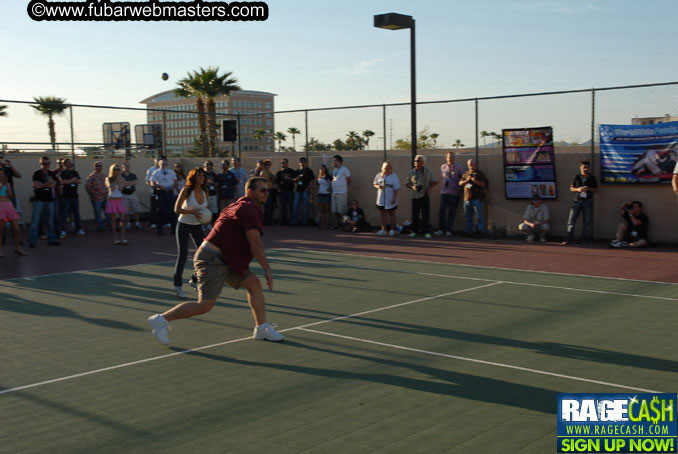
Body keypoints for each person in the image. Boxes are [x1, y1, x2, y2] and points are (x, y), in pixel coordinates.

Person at [147, 177, 284, 345]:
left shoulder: (242, 206)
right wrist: (268, 270)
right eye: (262, 190)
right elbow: (255, 243)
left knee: (254, 283)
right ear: (250, 192)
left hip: (227, 257)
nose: (266, 193)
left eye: (267, 190)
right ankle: (161, 320)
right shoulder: (248, 209)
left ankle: (261, 328)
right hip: (211, 259)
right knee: (205, 305)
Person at [172, 167, 207, 298]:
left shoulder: (205, 191)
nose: (201, 178)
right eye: (199, 176)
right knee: (183, 255)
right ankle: (178, 286)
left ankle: (194, 279)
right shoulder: (186, 191)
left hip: (197, 226)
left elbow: (204, 210)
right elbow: (177, 209)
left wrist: (204, 217)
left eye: (203, 176)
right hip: (184, 225)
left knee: (203, 254)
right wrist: (192, 212)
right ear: (193, 177)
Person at [562, 160, 598, 246]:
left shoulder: (592, 177)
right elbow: (571, 188)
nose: (585, 169)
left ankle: (584, 240)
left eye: (587, 167)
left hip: (587, 201)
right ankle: (569, 239)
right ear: (580, 168)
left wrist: (588, 189)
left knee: (587, 222)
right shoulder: (577, 177)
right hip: (577, 201)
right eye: (584, 167)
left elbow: (596, 189)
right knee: (571, 220)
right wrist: (578, 189)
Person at [28, 156, 60, 247]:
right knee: (35, 221)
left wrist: (43, 184)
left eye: (48, 163)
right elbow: (36, 186)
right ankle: (32, 240)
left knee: (50, 221)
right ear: (41, 164)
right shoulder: (37, 173)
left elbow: (53, 185)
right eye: (45, 164)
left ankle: (52, 239)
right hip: (39, 200)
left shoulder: (52, 173)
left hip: (50, 200)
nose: (47, 165)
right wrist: (47, 184)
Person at [405, 155, 438, 238]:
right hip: (414, 196)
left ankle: (425, 231)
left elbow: (435, 181)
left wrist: (429, 188)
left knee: (425, 214)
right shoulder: (411, 172)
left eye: (418, 161)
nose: (416, 162)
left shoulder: (428, 171)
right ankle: (415, 231)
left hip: (424, 195)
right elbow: (407, 183)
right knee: (415, 215)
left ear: (423, 162)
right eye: (415, 161)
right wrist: (412, 187)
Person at [434, 151, 464, 237]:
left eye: (452, 157)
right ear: (446, 158)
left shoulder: (459, 167)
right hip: (444, 192)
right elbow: (442, 178)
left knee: (452, 212)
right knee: (442, 211)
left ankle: (448, 230)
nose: (451, 158)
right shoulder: (443, 167)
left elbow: (463, 177)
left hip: (454, 193)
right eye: (449, 157)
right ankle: (440, 229)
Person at [0, 167, 26, 257]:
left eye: (2, 175)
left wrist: (7, 186)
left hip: (9, 205)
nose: (1, 176)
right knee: (1, 231)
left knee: (16, 229)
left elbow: (10, 195)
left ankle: (17, 248)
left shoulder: (7, 184)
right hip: (0, 207)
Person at [459, 159, 488, 238]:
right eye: (469, 164)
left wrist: (475, 181)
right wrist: (467, 180)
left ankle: (480, 232)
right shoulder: (466, 173)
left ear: (475, 164)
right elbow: (460, 183)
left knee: (479, 216)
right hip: (467, 198)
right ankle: (468, 231)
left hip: (477, 198)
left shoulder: (480, 173)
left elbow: (484, 184)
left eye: (472, 164)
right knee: (468, 216)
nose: (471, 166)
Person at [59, 158, 86, 237]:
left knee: (76, 213)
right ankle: (63, 230)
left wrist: (70, 181)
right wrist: (73, 179)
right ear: (65, 164)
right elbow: (64, 182)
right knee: (64, 214)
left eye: (70, 162)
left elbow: (79, 181)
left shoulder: (75, 172)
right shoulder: (63, 173)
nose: (70, 164)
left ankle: (79, 229)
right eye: (68, 162)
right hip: (66, 196)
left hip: (74, 196)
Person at [151, 158, 177, 235]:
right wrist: (160, 186)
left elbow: (176, 182)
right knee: (161, 211)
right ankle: (160, 229)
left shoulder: (171, 172)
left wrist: (173, 186)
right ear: (159, 164)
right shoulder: (156, 172)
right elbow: (152, 183)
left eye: (165, 164)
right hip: (161, 193)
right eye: (162, 164)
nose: (164, 165)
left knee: (172, 211)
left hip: (170, 192)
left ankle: (174, 228)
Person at [373, 161, 400, 236]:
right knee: (383, 213)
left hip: (390, 197)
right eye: (386, 167)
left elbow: (396, 188)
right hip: (381, 197)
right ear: (383, 168)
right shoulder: (379, 175)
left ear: (391, 168)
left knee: (392, 213)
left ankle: (392, 229)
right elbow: (375, 183)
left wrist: (394, 198)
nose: (387, 168)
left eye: (389, 166)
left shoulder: (394, 176)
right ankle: (383, 229)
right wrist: (379, 186)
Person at [105, 164, 128, 245]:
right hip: (112, 201)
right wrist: (116, 180)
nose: (117, 171)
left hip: (119, 200)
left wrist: (120, 180)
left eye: (118, 169)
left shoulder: (121, 178)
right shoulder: (108, 179)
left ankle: (123, 237)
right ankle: (115, 237)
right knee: (114, 220)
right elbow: (112, 188)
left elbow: (121, 189)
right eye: (115, 169)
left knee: (122, 219)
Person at [85, 161, 110, 232]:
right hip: (97, 198)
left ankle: (111, 224)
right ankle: (100, 226)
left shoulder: (104, 175)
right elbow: (87, 187)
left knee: (108, 212)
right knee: (98, 212)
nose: (100, 167)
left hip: (104, 197)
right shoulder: (91, 176)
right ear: (95, 167)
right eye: (98, 166)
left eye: (101, 166)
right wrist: (93, 194)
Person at [291, 157, 315, 227]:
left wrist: (308, 188)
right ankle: (294, 222)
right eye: (301, 161)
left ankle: (304, 222)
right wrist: (297, 178)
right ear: (299, 163)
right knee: (295, 206)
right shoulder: (297, 171)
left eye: (304, 161)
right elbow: (293, 180)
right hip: (298, 191)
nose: (302, 163)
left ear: (306, 163)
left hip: (305, 191)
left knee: (305, 207)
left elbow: (312, 179)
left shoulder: (309, 170)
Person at [121, 160, 143, 231]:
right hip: (124, 194)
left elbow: (135, 182)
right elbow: (121, 184)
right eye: (125, 166)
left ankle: (137, 223)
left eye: (128, 166)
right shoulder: (120, 175)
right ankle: (128, 223)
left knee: (136, 209)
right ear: (122, 167)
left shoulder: (133, 175)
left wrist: (126, 183)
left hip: (132, 194)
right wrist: (129, 183)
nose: (127, 167)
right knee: (126, 210)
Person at [331, 155, 351, 228]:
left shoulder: (344, 169)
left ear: (338, 161)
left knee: (342, 211)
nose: (333, 162)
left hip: (342, 193)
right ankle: (337, 224)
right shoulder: (334, 170)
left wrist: (342, 188)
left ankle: (345, 225)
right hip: (334, 193)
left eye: (334, 160)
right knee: (335, 210)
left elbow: (349, 180)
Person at [276, 158, 295, 225]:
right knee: (283, 206)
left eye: (284, 163)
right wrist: (278, 189)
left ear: (287, 163)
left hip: (290, 191)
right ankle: (284, 220)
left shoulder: (292, 171)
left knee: (291, 206)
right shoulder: (279, 173)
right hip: (282, 191)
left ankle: (293, 220)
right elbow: (277, 182)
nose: (283, 164)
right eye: (282, 163)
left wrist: (289, 178)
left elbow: (295, 180)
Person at [145, 156, 162, 229]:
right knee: (154, 208)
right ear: (154, 161)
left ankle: (163, 222)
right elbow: (148, 181)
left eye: (159, 160)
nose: (158, 161)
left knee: (162, 207)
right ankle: (153, 222)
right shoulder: (150, 170)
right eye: (156, 160)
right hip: (154, 192)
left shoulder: (163, 170)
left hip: (162, 191)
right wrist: (153, 186)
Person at [203, 160, 219, 227]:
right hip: (204, 195)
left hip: (212, 194)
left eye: (208, 164)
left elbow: (217, 184)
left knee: (212, 211)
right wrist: (206, 183)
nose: (207, 166)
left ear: (211, 166)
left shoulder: (214, 175)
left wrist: (213, 183)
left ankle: (210, 224)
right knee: (204, 210)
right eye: (206, 164)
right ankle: (203, 225)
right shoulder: (202, 174)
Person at [260, 159, 276, 225]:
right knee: (268, 206)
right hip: (266, 190)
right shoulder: (263, 172)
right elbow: (266, 181)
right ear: (264, 165)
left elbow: (274, 179)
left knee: (271, 206)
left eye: (269, 164)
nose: (268, 166)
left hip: (271, 190)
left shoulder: (269, 172)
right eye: (266, 164)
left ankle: (269, 219)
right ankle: (266, 221)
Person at [316, 164, 332, 229]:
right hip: (320, 194)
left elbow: (334, 181)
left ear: (325, 169)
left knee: (327, 210)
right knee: (322, 210)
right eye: (320, 168)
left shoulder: (329, 176)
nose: (321, 169)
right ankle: (322, 223)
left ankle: (327, 224)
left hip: (326, 194)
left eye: (323, 168)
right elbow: (317, 184)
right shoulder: (319, 176)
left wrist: (331, 188)